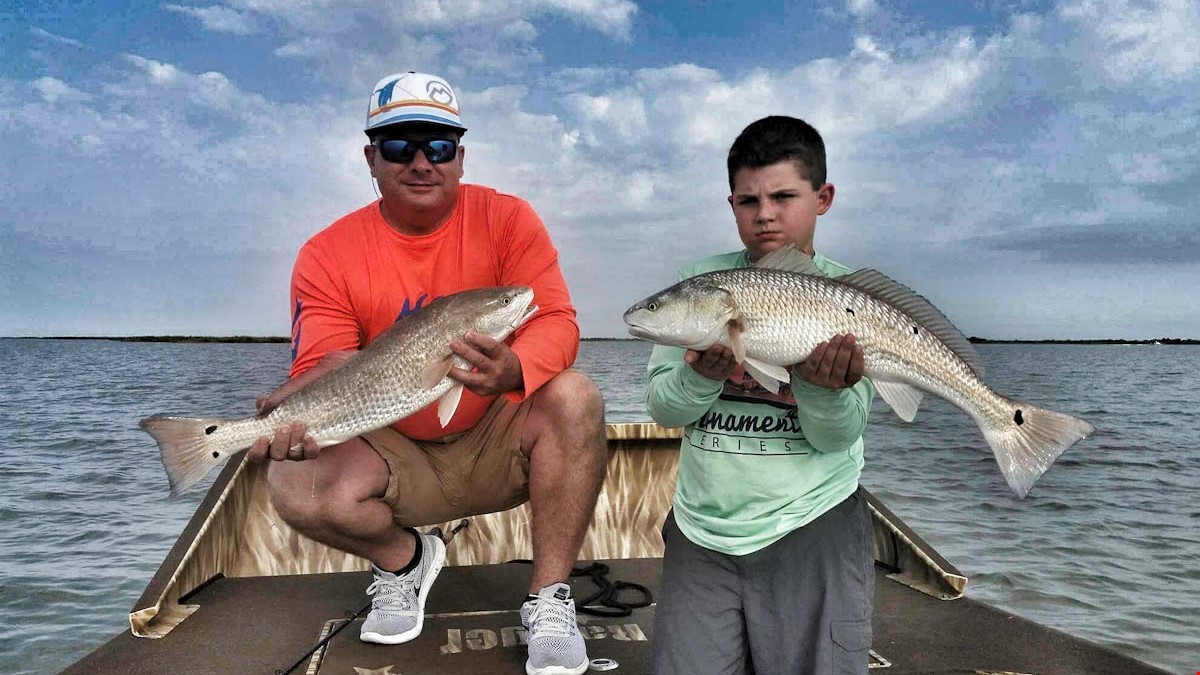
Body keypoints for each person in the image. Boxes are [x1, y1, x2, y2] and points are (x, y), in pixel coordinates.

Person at [248, 71, 607, 675]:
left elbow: (558, 320)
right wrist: (286, 414)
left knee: (576, 396)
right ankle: (404, 561)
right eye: (399, 146)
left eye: (438, 146)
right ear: (371, 157)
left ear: (460, 157)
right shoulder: (326, 253)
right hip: (392, 444)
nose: (421, 162)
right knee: (293, 478)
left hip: (498, 432)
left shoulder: (509, 218)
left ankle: (548, 600)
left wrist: (517, 366)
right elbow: (325, 364)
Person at [644, 115, 876, 675]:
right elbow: (663, 408)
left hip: (811, 521)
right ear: (731, 204)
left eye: (783, 196)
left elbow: (837, 435)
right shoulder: (701, 281)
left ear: (823, 198)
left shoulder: (853, 296)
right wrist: (701, 377)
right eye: (748, 200)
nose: (765, 214)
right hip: (703, 530)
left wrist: (821, 391)